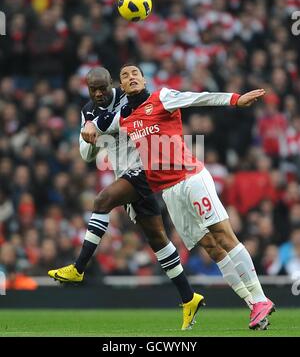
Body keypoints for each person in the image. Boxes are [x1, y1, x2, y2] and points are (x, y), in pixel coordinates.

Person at [83, 64, 275, 330]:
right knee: (210, 247)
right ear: (122, 88)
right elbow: (97, 121)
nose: (131, 77)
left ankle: (261, 298)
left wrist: (235, 99)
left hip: (192, 178)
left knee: (223, 234)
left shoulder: (161, 98)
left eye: (135, 73)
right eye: (125, 76)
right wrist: (91, 122)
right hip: (170, 192)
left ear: (143, 79)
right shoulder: (123, 117)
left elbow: (200, 97)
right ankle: (253, 305)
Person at [49, 67, 222, 331]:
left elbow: (135, 116)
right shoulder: (88, 110)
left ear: (112, 85)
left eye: (102, 88)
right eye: (93, 89)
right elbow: (86, 155)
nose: (98, 93)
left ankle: (79, 267)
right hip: (125, 173)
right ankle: (189, 297)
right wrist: (90, 134)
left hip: (145, 166)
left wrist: (97, 125)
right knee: (157, 238)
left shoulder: (127, 98)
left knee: (102, 200)